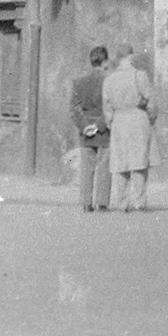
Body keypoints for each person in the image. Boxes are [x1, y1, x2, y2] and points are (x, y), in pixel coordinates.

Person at [102, 42, 157, 212]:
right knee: (138, 163)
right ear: (131, 56)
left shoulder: (109, 79)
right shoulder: (140, 75)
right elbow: (151, 103)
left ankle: (120, 201)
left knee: (120, 163)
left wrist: (111, 122)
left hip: (119, 121)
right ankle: (138, 202)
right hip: (138, 120)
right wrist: (151, 118)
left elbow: (107, 107)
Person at [69, 45, 111, 212]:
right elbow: (110, 107)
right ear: (105, 61)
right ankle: (102, 202)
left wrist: (85, 126)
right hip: (104, 128)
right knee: (104, 165)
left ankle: (86, 202)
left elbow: (74, 108)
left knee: (87, 167)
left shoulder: (79, 82)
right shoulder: (108, 81)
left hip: (85, 130)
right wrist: (99, 125)